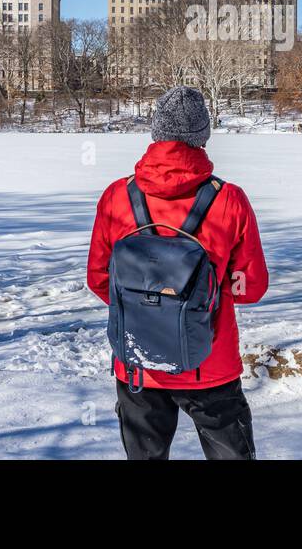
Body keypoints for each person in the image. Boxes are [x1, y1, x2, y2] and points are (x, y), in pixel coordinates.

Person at [86, 85, 268, 459]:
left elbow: (100, 278)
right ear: (202, 136)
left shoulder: (117, 196)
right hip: (209, 362)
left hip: (137, 363)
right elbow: (251, 287)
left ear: (157, 131)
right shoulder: (228, 198)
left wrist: (147, 308)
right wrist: (200, 298)